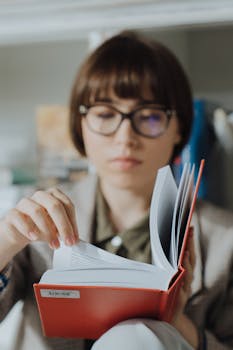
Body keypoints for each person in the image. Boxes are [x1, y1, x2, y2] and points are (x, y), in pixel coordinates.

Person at [0, 31, 232, 350]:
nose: (126, 137)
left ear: (179, 127)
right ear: (80, 125)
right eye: (106, 115)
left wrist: (177, 323)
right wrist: (6, 241)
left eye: (149, 116)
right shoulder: (37, 220)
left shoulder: (225, 240)